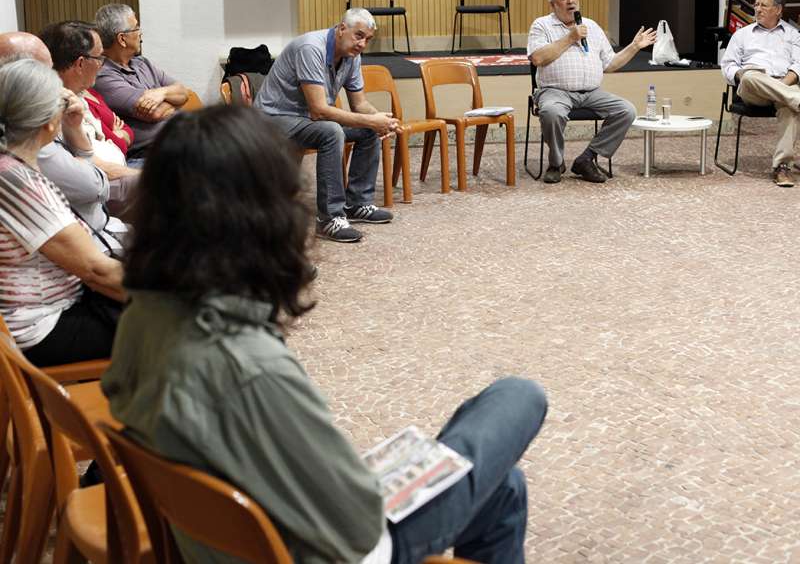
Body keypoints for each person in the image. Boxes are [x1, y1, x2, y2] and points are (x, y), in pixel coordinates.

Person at [101, 105, 548, 564]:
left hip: (233, 540)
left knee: (502, 485)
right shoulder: (248, 366)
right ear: (264, 214)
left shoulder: (148, 310)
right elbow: (357, 527)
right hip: (336, 548)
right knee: (519, 396)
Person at [0, 58, 124, 367]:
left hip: (40, 313)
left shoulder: (12, 167)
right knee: (182, 326)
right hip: (44, 327)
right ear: (48, 122)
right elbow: (97, 272)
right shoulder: (19, 183)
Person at [254, 8, 400, 243]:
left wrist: (382, 122)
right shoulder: (311, 48)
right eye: (358, 35)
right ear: (342, 28)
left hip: (306, 119)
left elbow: (359, 103)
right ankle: (329, 218)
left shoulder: (352, 55)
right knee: (331, 131)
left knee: (367, 129)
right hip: (275, 118)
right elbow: (319, 110)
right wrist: (372, 120)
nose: (362, 44)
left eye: (367, 39)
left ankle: (358, 203)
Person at [528, 0, 656, 184]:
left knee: (626, 110)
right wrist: (571, 37)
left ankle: (587, 158)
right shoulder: (542, 25)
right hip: (554, 91)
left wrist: (634, 47)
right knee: (551, 112)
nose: (571, 1)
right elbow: (538, 58)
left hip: (591, 93)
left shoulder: (591, 26)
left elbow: (610, 64)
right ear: (553, 4)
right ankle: (556, 163)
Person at [39, 20, 140, 215]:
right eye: (100, 57)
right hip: (101, 194)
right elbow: (92, 171)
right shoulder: (55, 108)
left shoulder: (80, 94)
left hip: (111, 180)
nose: (102, 65)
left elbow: (122, 132)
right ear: (80, 63)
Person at [720, 0, 800, 187]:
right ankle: (796, 99)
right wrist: (740, 74)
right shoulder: (743, 34)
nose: (757, 9)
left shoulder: (793, 35)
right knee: (749, 76)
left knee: (788, 107)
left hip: (784, 83)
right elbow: (728, 65)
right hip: (753, 89)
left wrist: (780, 86)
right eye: (756, 5)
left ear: (778, 9)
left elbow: (798, 65)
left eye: (764, 5)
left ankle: (782, 168)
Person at [93, 3, 188, 163]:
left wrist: (160, 93)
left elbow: (184, 92)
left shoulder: (143, 63)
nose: (140, 33)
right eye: (136, 28)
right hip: (149, 154)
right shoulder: (104, 77)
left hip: (178, 142)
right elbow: (155, 112)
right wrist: (173, 101)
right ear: (122, 39)